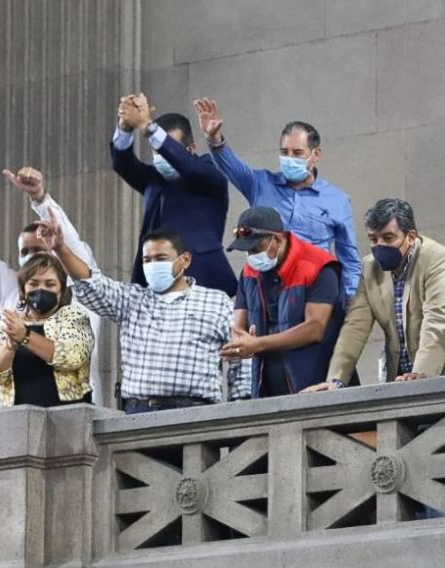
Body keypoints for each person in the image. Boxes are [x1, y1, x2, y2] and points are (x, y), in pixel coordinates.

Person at [44, 220, 250, 414]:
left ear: (185, 260)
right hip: (139, 413)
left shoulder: (216, 302)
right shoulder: (132, 299)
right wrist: (60, 248)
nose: (153, 265)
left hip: (196, 413)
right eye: (147, 260)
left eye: (161, 259)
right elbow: (91, 284)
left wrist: (240, 408)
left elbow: (240, 356)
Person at [0, 168, 103, 403]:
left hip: (74, 414)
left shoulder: (82, 290)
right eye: (24, 252)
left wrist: (40, 198)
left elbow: (72, 355)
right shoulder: (14, 295)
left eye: (38, 249)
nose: (31, 257)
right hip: (16, 418)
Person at [304, 199, 445, 392]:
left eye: (388, 238)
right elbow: (355, 327)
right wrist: (336, 380)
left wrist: (422, 375)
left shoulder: (439, 260)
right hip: (403, 381)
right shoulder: (369, 268)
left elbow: (438, 322)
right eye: (373, 239)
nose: (379, 246)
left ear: (410, 236)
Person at [193, 97, 362, 299]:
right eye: (284, 152)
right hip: (266, 289)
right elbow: (231, 165)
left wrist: (349, 302)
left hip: (314, 292)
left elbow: (349, 259)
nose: (290, 158)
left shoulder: (337, 200)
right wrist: (214, 139)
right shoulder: (260, 183)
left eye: (297, 153)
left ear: (315, 155)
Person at [112, 92, 237, 296]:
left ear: (191, 149)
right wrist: (126, 125)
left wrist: (148, 126)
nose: (162, 156)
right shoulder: (154, 179)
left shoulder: (209, 172)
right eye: (156, 152)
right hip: (154, 283)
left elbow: (188, 165)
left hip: (201, 280)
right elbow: (122, 163)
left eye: (168, 149)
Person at [222, 207, 345, 397]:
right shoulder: (249, 272)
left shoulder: (318, 266)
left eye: (256, 248)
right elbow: (240, 326)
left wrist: (258, 344)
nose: (251, 256)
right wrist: (239, 345)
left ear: (278, 238)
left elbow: (315, 328)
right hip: (265, 389)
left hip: (315, 386)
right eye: (247, 251)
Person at [0, 252, 94, 406]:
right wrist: (9, 347)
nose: (41, 289)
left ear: (61, 290)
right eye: (33, 284)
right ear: (23, 290)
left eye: (50, 284)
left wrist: (25, 336)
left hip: (68, 417)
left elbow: (72, 357)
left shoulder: (73, 316)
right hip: (18, 418)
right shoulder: (9, 323)